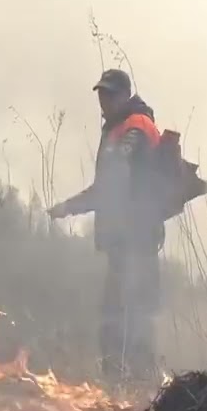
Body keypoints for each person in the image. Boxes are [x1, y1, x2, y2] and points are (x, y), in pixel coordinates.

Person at [47, 69, 164, 383]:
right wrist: (69, 207)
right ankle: (121, 389)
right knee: (116, 319)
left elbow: (115, 180)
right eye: (101, 94)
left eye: (110, 94)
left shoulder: (136, 126)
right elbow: (106, 187)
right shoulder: (114, 130)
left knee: (130, 319)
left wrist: (72, 206)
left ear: (125, 95)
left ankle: (140, 390)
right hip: (121, 243)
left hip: (137, 241)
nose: (104, 100)